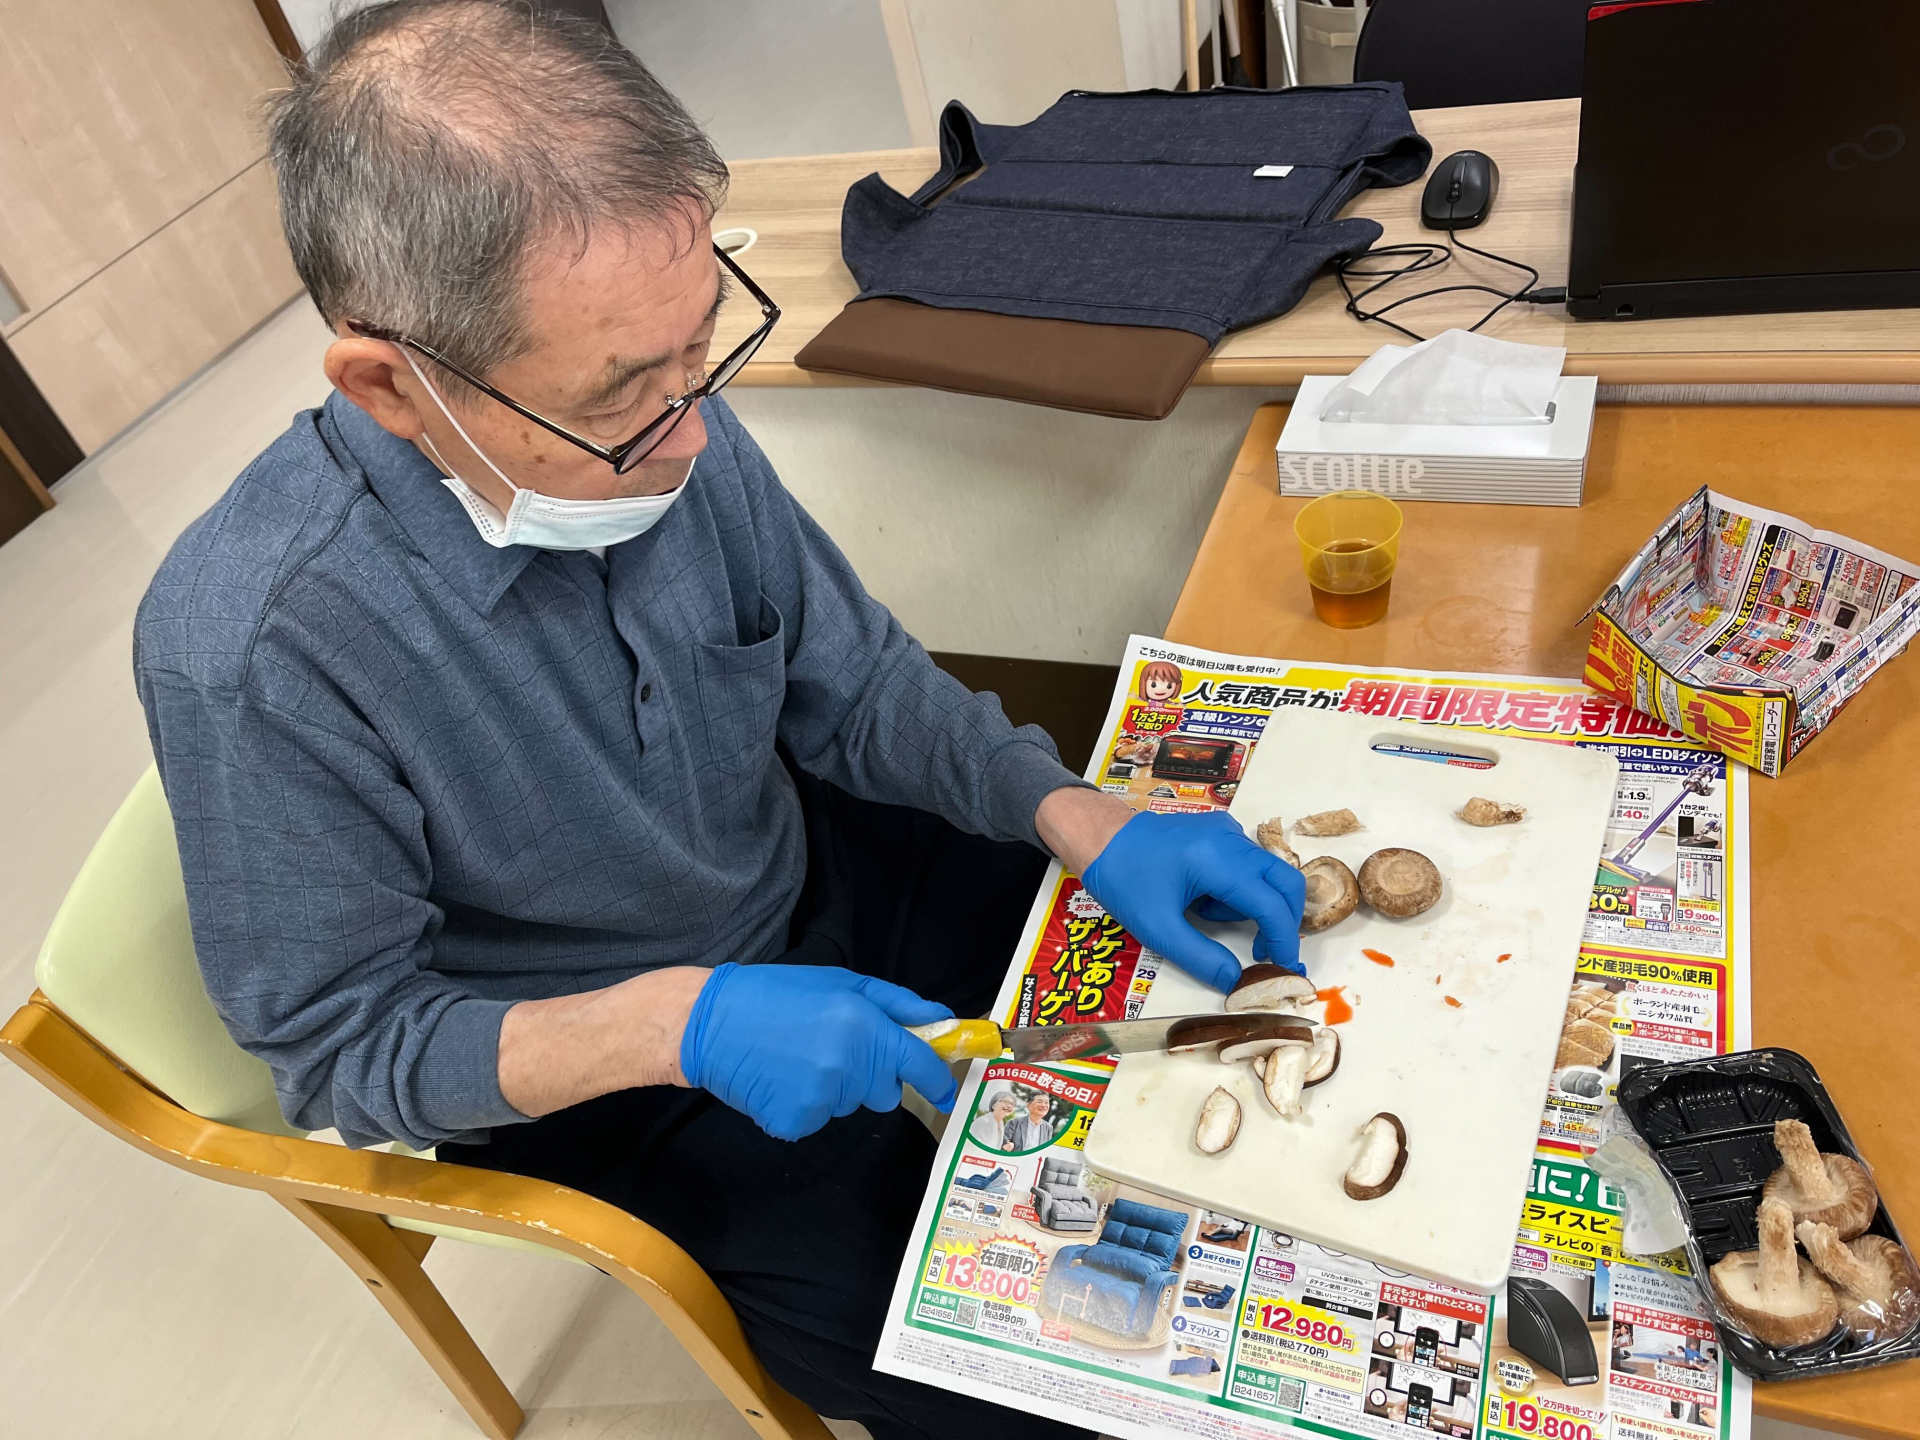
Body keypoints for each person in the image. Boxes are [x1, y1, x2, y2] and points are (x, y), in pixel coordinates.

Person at [131, 4, 1305, 1437]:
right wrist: (676, 1025)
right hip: (616, 1069)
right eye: (621, 393)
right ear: (392, 384)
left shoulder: (663, 406)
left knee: (1223, 1025)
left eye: (699, 347)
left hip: (811, 874)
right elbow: (343, 1053)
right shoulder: (257, 651)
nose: (691, 430)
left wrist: (1077, 811)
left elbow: (855, 681)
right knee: (1053, 1379)